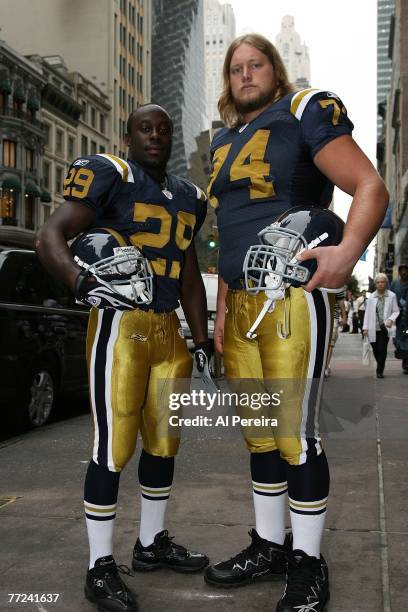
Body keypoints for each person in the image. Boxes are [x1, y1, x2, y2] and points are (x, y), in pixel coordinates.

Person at [204, 33, 388, 612]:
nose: (245, 73)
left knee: (295, 435)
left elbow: (369, 186)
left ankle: (308, 562)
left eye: (256, 63)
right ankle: (270, 544)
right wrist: (224, 312)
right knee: (260, 436)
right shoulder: (224, 140)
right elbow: (233, 233)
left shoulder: (303, 110)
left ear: (275, 70)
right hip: (242, 305)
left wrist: (348, 250)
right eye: (236, 68)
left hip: (288, 296)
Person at [35, 104, 211, 612]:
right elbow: (50, 236)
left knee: (163, 445)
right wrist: (80, 281)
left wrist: (201, 339)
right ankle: (98, 565)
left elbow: (189, 272)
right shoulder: (111, 176)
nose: (154, 135)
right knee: (111, 448)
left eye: (163, 129)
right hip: (121, 326)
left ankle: (151, 545)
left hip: (169, 333)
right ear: (127, 134)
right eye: (144, 128)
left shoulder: (188, 196)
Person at [363, 273, 399, 378]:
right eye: (378, 282)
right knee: (375, 349)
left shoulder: (392, 296)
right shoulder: (371, 297)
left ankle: (380, 370)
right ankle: (380, 363)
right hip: (372, 327)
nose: (380, 284)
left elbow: (396, 311)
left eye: (382, 282)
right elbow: (367, 314)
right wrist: (365, 328)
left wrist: (391, 320)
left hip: (385, 328)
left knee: (382, 349)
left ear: (386, 283)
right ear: (375, 284)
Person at [325, 291, 347, 377]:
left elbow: (341, 301)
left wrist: (344, 317)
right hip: (317, 316)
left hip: (333, 317)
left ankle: (326, 366)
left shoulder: (337, 283)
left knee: (331, 342)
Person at [391, 264, 408, 373]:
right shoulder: (395, 283)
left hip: (407, 318)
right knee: (398, 339)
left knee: (406, 338)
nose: (404, 273)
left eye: (406, 270)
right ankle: (403, 355)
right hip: (397, 317)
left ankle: (406, 364)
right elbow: (390, 296)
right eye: (402, 270)